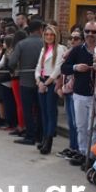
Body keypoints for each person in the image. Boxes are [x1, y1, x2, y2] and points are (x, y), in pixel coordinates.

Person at [60, 20, 96, 166]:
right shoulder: (77, 50)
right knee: (80, 126)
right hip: (80, 94)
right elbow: (64, 68)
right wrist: (76, 67)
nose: (90, 34)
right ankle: (82, 152)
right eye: (87, 31)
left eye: (94, 32)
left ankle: (92, 155)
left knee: (94, 127)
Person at [9, 20, 45, 146]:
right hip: (42, 81)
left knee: (27, 110)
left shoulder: (21, 44)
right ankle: (40, 136)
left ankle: (30, 136)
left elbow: (12, 62)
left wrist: (13, 70)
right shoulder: (45, 43)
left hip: (25, 81)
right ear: (40, 29)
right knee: (40, 110)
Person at [34, 25, 67, 155]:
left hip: (51, 82)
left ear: (56, 36)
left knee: (51, 112)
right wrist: (38, 81)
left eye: (51, 35)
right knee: (43, 112)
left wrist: (46, 84)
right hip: (42, 81)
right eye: (47, 34)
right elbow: (38, 66)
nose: (49, 37)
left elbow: (57, 69)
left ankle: (48, 142)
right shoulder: (43, 49)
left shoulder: (60, 49)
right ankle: (43, 138)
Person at [56, 30, 83, 158]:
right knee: (71, 122)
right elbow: (63, 71)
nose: (73, 41)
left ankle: (78, 149)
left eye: (76, 38)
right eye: (71, 38)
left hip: (76, 91)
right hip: (67, 90)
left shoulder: (82, 53)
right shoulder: (68, 53)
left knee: (77, 123)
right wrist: (60, 86)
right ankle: (72, 146)